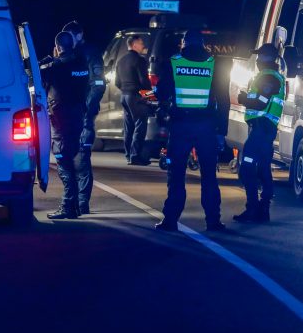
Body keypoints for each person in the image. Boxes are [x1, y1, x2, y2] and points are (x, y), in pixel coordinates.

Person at [154, 29, 231, 232]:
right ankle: (213, 221)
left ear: (184, 43)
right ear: (203, 43)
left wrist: (163, 108)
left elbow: (162, 93)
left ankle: (170, 220)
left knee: (176, 174)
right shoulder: (214, 64)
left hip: (180, 126)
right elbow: (224, 100)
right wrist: (221, 131)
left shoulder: (173, 62)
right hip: (206, 127)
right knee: (209, 177)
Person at [234, 43, 286, 223]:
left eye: (260, 56)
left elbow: (261, 102)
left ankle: (253, 209)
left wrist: (243, 99)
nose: (257, 60)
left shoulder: (269, 77)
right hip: (265, 130)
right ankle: (263, 210)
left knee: (247, 167)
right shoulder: (271, 76)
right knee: (263, 168)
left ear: (267, 58)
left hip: (261, 129)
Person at [41, 31, 89, 219]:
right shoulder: (81, 64)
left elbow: (38, 76)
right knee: (71, 160)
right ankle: (74, 206)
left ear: (58, 47)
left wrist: (48, 61)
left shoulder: (56, 67)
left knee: (63, 163)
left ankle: (67, 206)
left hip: (60, 120)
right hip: (77, 118)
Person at [63, 21, 105, 215]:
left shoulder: (89, 53)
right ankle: (74, 203)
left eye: (70, 36)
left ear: (79, 35)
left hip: (83, 114)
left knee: (82, 158)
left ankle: (82, 204)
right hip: (70, 114)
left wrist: (87, 108)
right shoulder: (70, 54)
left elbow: (98, 84)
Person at [115, 35, 152, 165]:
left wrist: (125, 89)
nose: (143, 46)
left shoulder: (121, 61)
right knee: (140, 124)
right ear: (135, 45)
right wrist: (149, 94)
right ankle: (135, 156)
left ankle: (128, 155)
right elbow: (144, 81)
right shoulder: (140, 60)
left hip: (124, 96)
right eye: (141, 43)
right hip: (135, 96)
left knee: (128, 126)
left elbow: (117, 82)